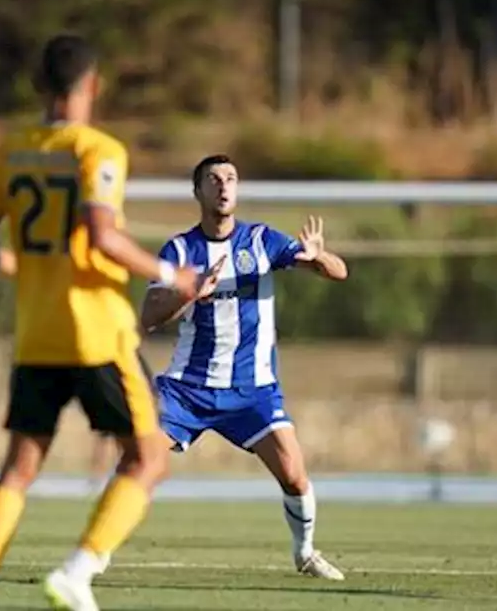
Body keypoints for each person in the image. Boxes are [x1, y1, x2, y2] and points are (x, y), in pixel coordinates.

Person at [0, 33, 201, 611]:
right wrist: (172, 273)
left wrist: (16, 263)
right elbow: (102, 234)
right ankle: (78, 570)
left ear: (40, 86)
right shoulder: (100, 150)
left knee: (19, 466)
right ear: (93, 85)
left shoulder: (11, 151)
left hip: (36, 334)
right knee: (148, 459)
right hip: (96, 334)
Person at [140, 154, 349, 580]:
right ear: (197, 191)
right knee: (139, 462)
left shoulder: (260, 240)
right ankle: (95, 555)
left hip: (252, 390)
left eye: (231, 178)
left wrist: (319, 258)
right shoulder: (179, 249)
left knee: (293, 473)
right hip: (187, 388)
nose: (223, 185)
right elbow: (148, 315)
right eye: (213, 179)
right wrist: (191, 291)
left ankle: (305, 552)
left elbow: (338, 272)